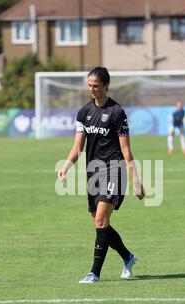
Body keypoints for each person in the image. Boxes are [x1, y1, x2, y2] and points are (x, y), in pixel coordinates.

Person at [58, 67, 145, 283]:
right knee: (100, 224)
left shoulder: (117, 112)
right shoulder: (84, 113)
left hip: (114, 171)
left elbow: (126, 150)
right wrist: (66, 165)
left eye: (96, 85)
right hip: (93, 174)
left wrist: (136, 180)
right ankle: (128, 257)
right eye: (89, 85)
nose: (92, 89)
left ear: (106, 86)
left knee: (100, 219)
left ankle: (94, 273)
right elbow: (78, 146)